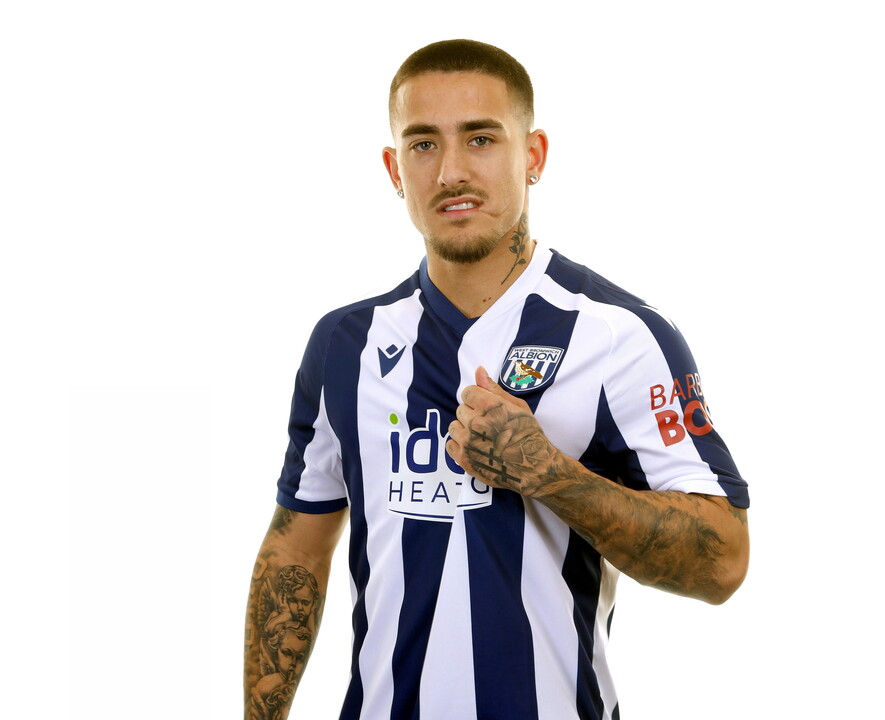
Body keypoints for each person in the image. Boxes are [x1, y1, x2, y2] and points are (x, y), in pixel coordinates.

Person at [244, 39, 750, 720]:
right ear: (395, 169)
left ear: (533, 156)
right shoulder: (345, 344)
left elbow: (723, 563)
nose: (451, 171)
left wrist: (549, 474)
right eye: (424, 144)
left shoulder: (619, 337)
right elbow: (295, 554)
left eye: (480, 139)